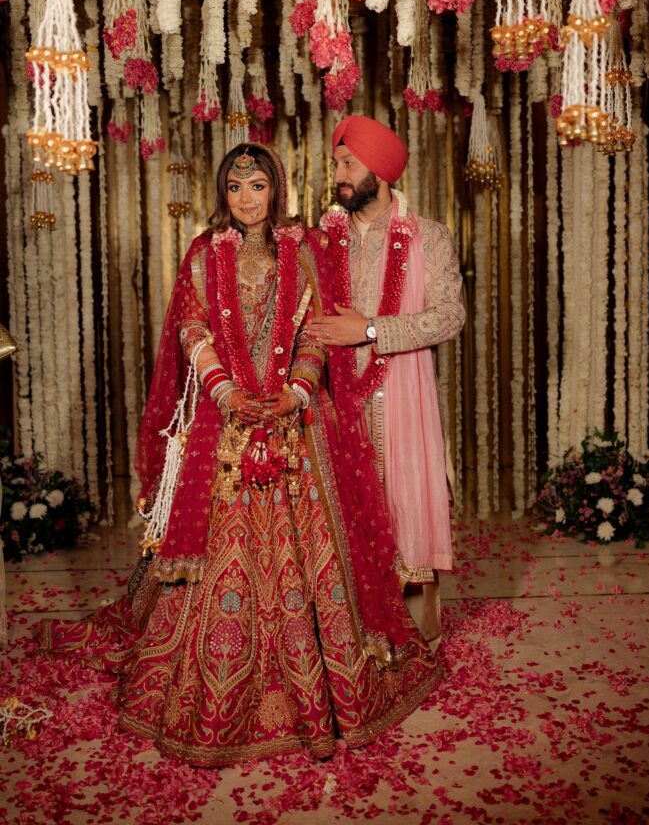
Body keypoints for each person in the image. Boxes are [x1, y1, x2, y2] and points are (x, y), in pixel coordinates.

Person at [39, 143, 441, 767]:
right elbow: (191, 328)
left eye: (257, 186)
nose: (247, 199)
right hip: (224, 419)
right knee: (219, 550)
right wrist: (225, 391)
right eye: (235, 187)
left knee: (312, 553)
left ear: (275, 188)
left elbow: (317, 331)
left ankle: (324, 679)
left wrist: (296, 392)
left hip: (296, 421)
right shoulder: (205, 251)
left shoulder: (303, 248)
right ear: (222, 194)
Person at [308, 115, 466, 650]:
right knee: (339, 513)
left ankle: (416, 638)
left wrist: (370, 330)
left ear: (381, 170)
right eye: (336, 164)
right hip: (333, 399)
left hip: (403, 398)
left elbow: (450, 317)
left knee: (405, 505)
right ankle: (348, 639)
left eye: (349, 164)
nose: (339, 175)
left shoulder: (429, 237)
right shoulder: (319, 241)